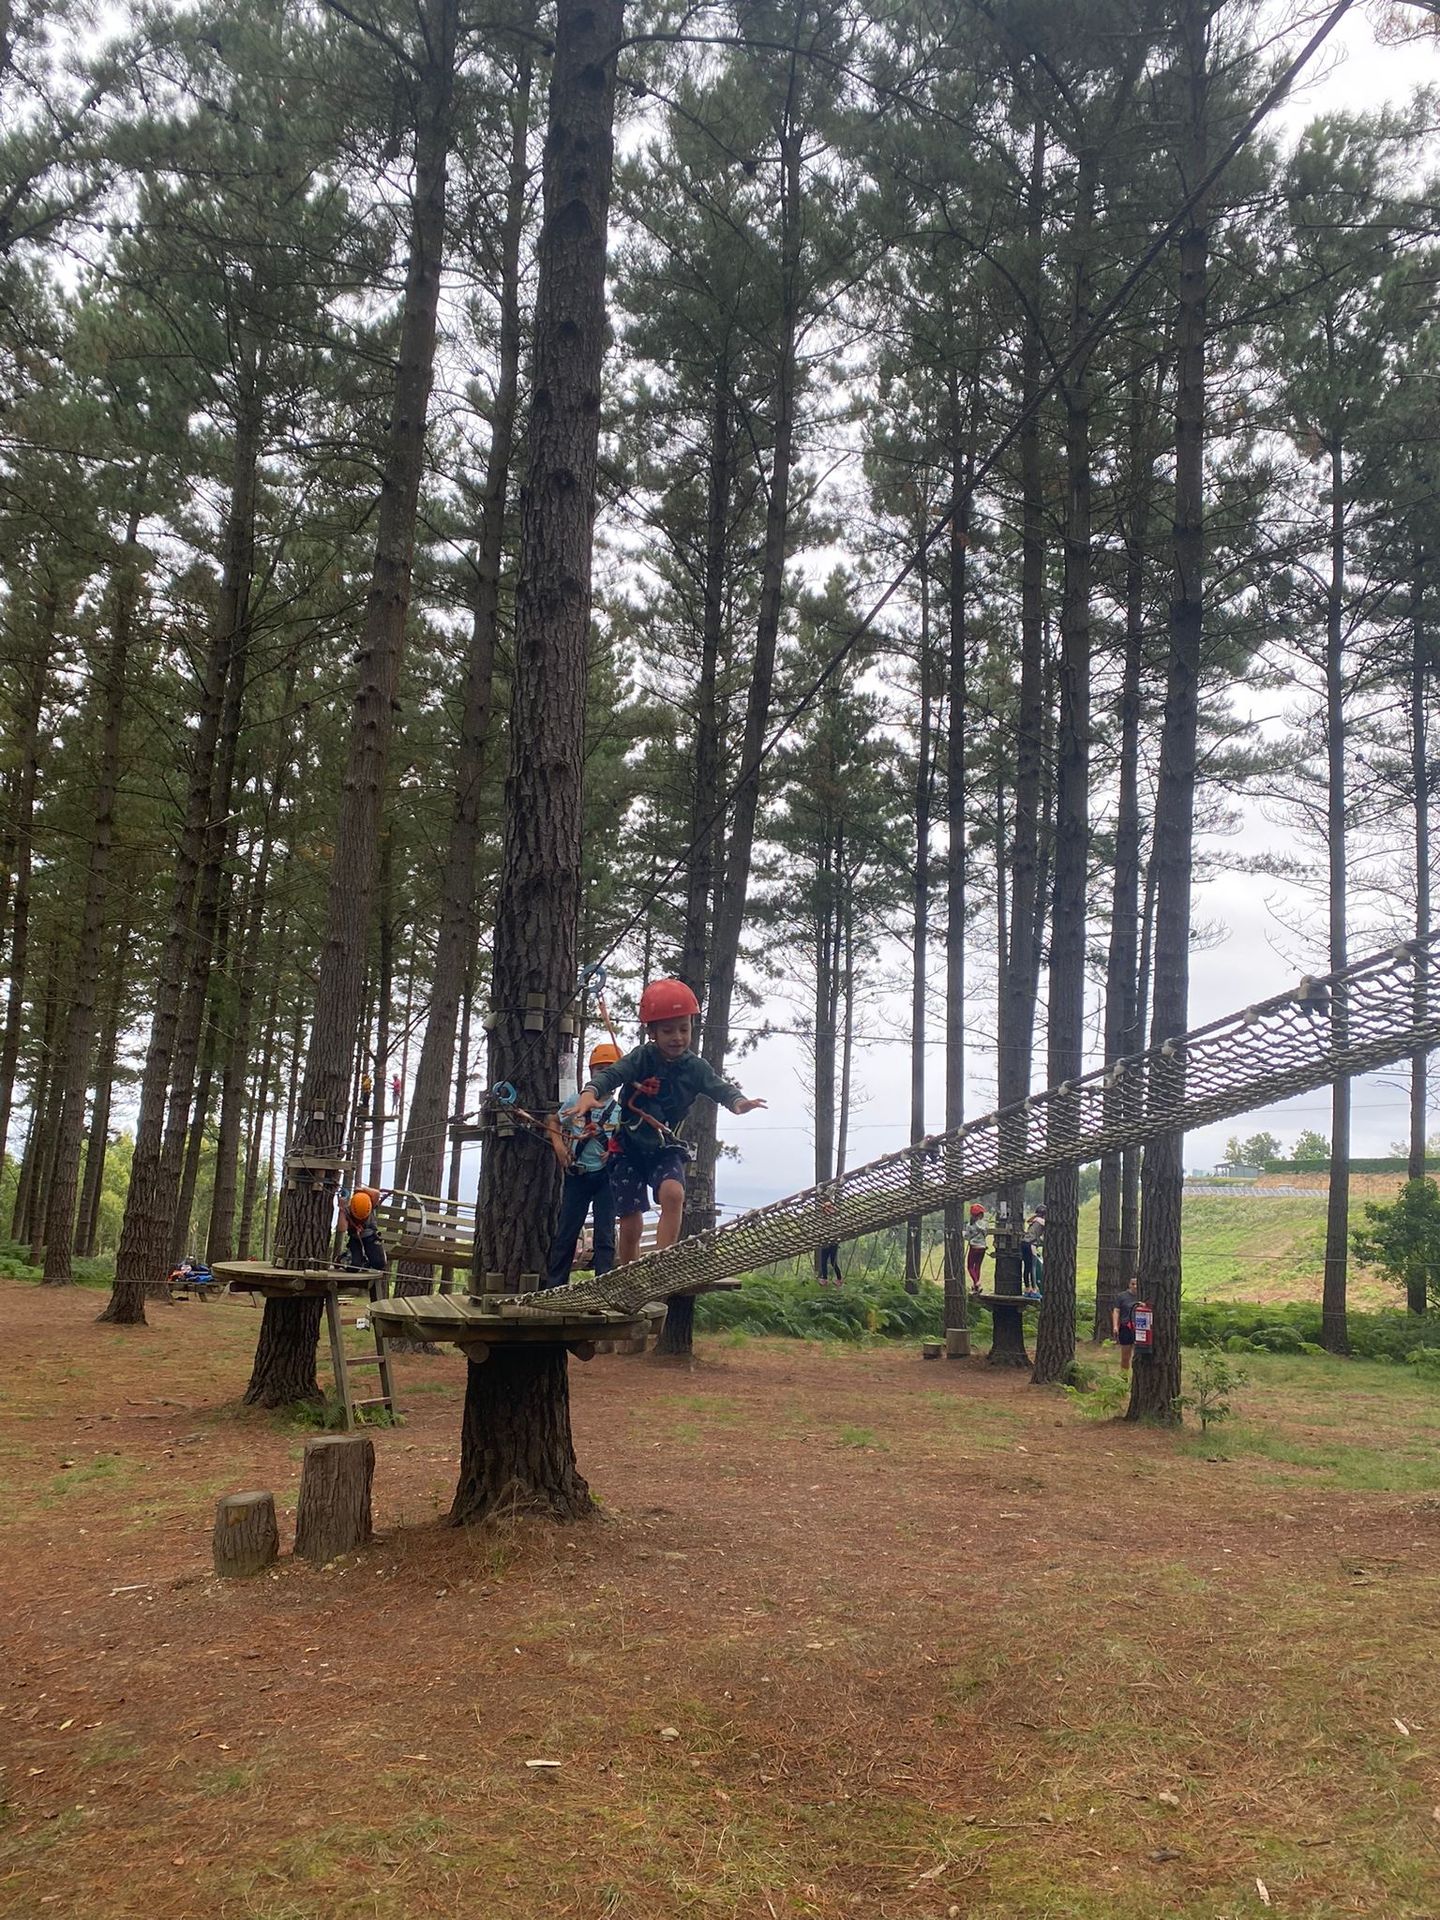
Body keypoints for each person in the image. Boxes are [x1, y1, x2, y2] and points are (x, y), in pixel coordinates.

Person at [570, 977, 767, 1265]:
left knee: (673, 1194)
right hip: (627, 1148)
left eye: (684, 1029)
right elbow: (612, 1074)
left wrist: (738, 1102)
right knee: (630, 1221)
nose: (677, 1037)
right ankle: (629, 1272)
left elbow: (719, 1087)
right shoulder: (641, 1058)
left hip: (664, 1146)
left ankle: (662, 1264)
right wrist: (590, 1092)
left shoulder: (695, 1068)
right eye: (668, 1030)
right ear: (652, 1032)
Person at [544, 1041, 624, 1289]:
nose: (602, 1075)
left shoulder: (620, 1111)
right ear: (590, 1073)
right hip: (577, 1175)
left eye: (608, 1070)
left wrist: (614, 1152)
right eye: (598, 1069)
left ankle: (603, 1287)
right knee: (566, 1233)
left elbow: (627, 1140)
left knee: (604, 1235)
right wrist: (559, 1147)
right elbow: (553, 1122)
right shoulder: (575, 1102)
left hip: (605, 1178)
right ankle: (555, 1288)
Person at [339, 1187, 387, 1272]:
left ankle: (365, 1262)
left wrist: (363, 1189)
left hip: (371, 1237)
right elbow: (342, 1228)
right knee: (354, 1267)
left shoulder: (370, 1204)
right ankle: (345, 1257)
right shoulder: (347, 1210)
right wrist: (342, 1210)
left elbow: (376, 1193)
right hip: (355, 1239)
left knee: (379, 1263)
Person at [1112, 1283, 1138, 1370]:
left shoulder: (1144, 1295)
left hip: (1140, 1328)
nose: (1135, 1286)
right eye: (1133, 1284)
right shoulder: (1122, 1296)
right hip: (1126, 1327)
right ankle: (1124, 1376)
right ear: (1129, 1285)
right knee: (1125, 1356)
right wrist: (1115, 1326)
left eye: (1137, 1284)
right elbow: (1116, 1311)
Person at [1022, 1205, 1046, 1295]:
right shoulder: (1042, 1222)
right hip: (1031, 1245)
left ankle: (1027, 1288)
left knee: (1027, 1267)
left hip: (1024, 1243)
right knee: (1033, 1267)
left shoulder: (1034, 1221)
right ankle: (1034, 1289)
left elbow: (1029, 1221)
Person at [965, 1203, 988, 1293]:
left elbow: (967, 1237)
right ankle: (976, 1287)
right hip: (982, 1247)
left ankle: (977, 1283)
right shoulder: (985, 1224)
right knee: (978, 1266)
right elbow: (986, 1234)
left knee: (970, 1267)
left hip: (974, 1247)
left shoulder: (970, 1225)